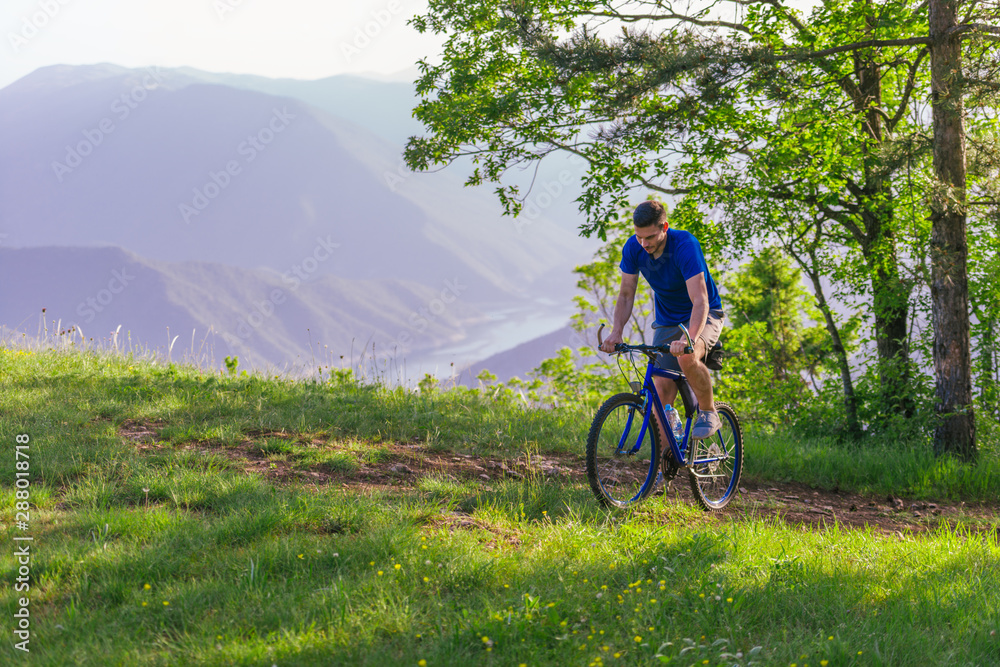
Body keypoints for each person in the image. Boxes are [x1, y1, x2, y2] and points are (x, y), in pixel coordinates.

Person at [599, 200, 725, 440]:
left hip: (704, 314)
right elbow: (626, 295)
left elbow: (700, 301)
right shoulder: (633, 248)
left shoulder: (685, 245)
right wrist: (616, 332)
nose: (644, 244)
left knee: (688, 356)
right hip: (667, 320)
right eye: (639, 237)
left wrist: (689, 337)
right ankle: (665, 466)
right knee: (661, 393)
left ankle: (709, 412)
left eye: (650, 237)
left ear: (664, 227)